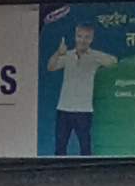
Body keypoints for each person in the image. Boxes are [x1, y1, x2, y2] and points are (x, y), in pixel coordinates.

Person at [44, 16, 115, 158]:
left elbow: (113, 61)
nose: (82, 40)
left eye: (86, 37)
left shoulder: (94, 57)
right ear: (75, 36)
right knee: (60, 148)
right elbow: (50, 67)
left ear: (91, 39)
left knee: (85, 148)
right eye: (80, 36)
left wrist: (93, 54)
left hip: (84, 110)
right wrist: (58, 53)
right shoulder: (68, 56)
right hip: (64, 108)